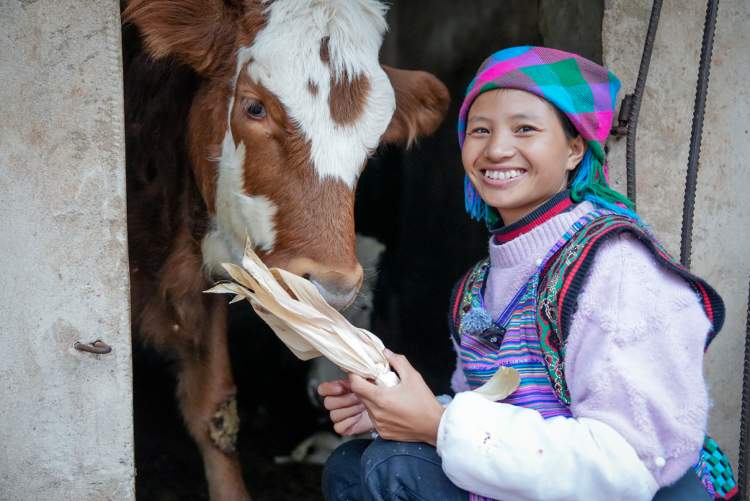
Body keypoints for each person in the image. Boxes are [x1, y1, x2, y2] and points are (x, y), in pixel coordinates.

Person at [318, 46, 739, 501]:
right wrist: (397, 413)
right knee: (351, 467)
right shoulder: (479, 285)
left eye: (525, 129)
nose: (497, 149)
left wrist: (438, 425)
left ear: (575, 148)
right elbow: (499, 413)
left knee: (395, 467)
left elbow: (627, 466)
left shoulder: (614, 267)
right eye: (480, 130)